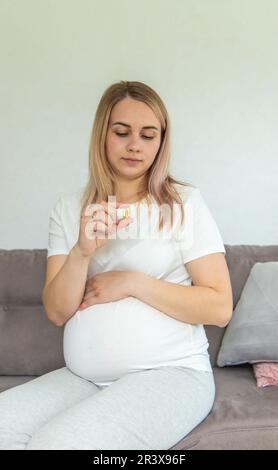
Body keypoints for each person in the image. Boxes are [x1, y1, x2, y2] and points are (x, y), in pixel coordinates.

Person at [0, 80, 233, 450]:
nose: (134, 145)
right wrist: (81, 251)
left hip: (171, 374)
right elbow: (58, 311)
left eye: (148, 135)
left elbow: (219, 307)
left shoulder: (183, 204)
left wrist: (133, 283)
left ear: (161, 142)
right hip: (84, 378)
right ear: (102, 135)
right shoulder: (68, 208)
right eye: (121, 132)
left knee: (58, 445)